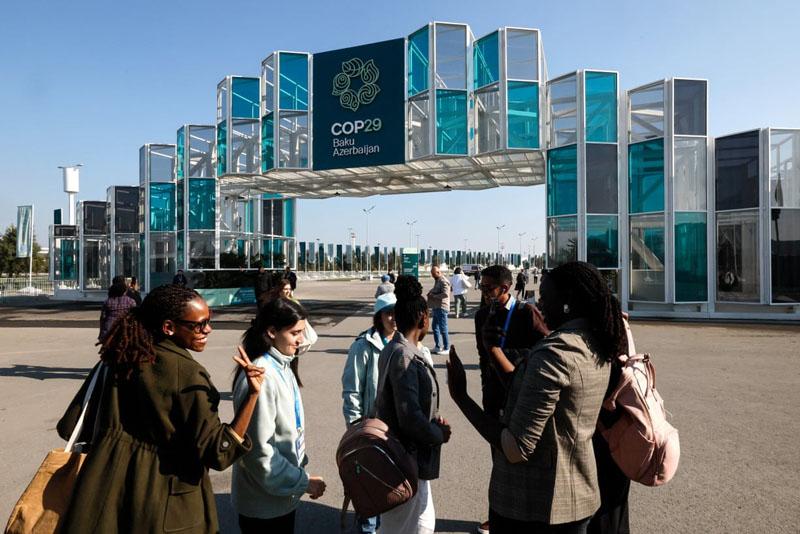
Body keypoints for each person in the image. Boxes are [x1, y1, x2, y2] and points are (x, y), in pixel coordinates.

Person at [56, 284, 264, 533]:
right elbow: (218, 453)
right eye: (198, 324)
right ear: (168, 327)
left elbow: (69, 426)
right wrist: (253, 395)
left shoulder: (116, 359)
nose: (208, 329)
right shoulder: (187, 374)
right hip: (166, 504)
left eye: (209, 320)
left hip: (102, 495)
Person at [447, 261, 627, 534]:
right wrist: (494, 352)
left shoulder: (554, 353)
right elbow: (541, 398)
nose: (541, 305)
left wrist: (461, 397)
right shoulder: (595, 342)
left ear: (567, 300)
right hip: (577, 496)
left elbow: (516, 447)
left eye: (545, 296)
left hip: (531, 505)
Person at [232, 297, 326, 533]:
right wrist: (303, 482)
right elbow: (259, 453)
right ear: (272, 331)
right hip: (264, 505)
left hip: (279, 497)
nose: (301, 340)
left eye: (302, 331)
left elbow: (309, 339)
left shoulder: (283, 363)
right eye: (295, 333)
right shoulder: (262, 376)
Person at [473, 265, 545, 534]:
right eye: (481, 287)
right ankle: (498, 515)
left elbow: (546, 348)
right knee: (499, 462)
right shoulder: (481, 316)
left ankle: (530, 516)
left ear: (504, 288)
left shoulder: (527, 313)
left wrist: (511, 357)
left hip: (523, 398)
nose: (483, 292)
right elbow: (482, 358)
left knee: (525, 460)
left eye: (487, 288)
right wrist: (486, 387)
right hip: (494, 399)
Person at [376, 275, 451, 534]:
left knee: (420, 522)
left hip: (408, 458)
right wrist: (438, 434)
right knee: (409, 526)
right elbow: (409, 417)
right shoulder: (403, 356)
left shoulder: (398, 348)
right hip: (405, 460)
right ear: (423, 317)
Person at [341, 292, 397, 533]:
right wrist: (355, 427)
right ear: (379, 316)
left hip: (396, 431)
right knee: (369, 484)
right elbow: (352, 390)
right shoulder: (363, 346)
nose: (393, 318)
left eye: (397, 312)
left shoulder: (404, 343)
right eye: (388, 313)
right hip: (369, 429)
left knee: (392, 485)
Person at [98, 275, 137, 340]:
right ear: (125, 291)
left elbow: (103, 318)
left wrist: (101, 334)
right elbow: (135, 318)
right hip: (125, 332)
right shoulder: (131, 302)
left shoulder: (107, 302)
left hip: (109, 331)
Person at [426, 265, 451, 355]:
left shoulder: (444, 281)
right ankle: (438, 346)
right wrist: (431, 291)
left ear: (438, 272)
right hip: (436, 307)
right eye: (431, 274)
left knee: (443, 328)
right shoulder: (438, 280)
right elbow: (436, 289)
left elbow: (445, 294)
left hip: (442, 307)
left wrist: (434, 296)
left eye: (433, 274)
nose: (432, 275)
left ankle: (447, 347)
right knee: (435, 327)